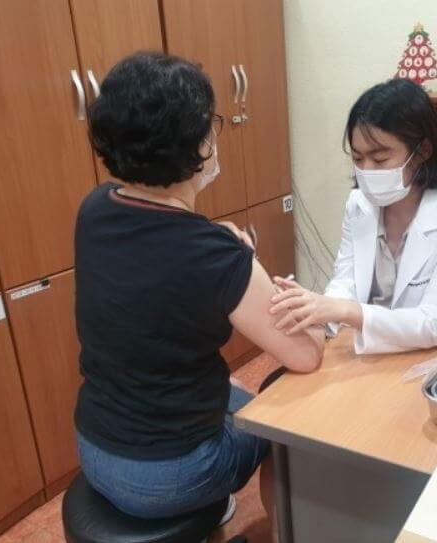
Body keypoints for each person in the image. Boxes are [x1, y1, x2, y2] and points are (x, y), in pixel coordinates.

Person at [73, 52, 325, 522]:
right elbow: (305, 355)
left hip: (93, 447)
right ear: (199, 145)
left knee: (229, 386)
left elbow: (157, 268)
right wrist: (250, 263)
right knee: (282, 417)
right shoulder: (217, 256)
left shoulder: (95, 208)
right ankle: (271, 523)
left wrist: (222, 245)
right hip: (170, 477)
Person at [270, 78, 437, 354]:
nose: (367, 171)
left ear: (422, 151)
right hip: (375, 351)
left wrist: (346, 311)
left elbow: (434, 323)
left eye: (380, 159)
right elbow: (346, 280)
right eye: (358, 159)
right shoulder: (358, 205)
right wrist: (318, 313)